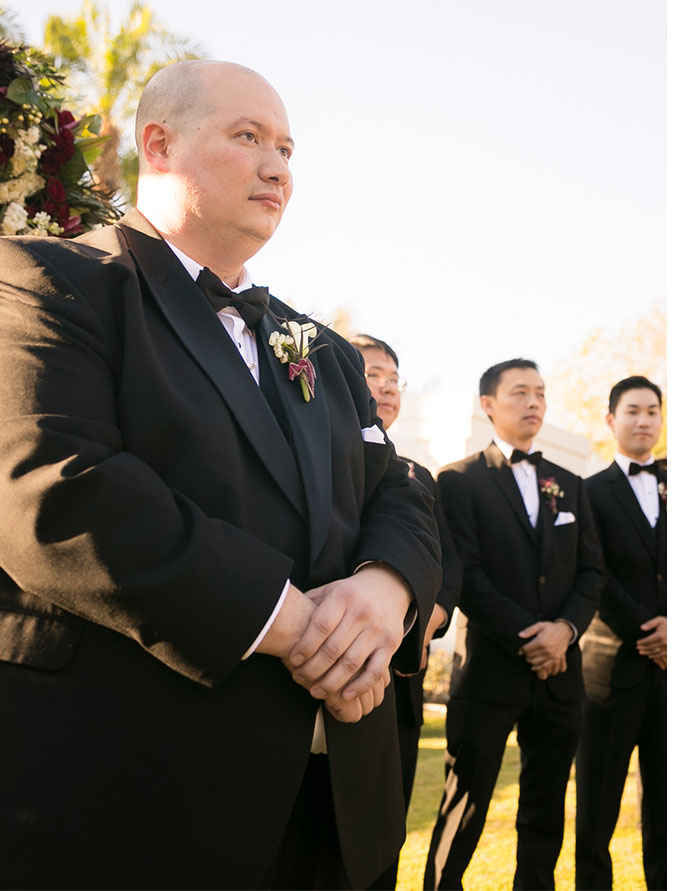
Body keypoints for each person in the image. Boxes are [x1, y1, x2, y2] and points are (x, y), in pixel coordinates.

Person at [0, 61, 441, 888]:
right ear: (157, 145)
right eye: (248, 138)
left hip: (333, 806)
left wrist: (385, 590)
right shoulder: (46, 283)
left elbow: (400, 486)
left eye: (286, 147)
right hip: (141, 797)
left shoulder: (322, 348)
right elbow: (56, 487)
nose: (279, 168)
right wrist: (296, 627)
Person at [425, 358, 602, 890]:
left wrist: (565, 632)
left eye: (542, 394)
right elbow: (466, 575)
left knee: (545, 811)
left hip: (559, 678)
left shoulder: (569, 484)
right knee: (466, 802)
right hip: (490, 672)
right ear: (488, 405)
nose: (534, 403)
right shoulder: (456, 481)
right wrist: (533, 638)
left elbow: (593, 570)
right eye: (521, 392)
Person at [350, 333, 465, 891]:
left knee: (384, 829)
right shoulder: (315, 452)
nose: (388, 387)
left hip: (401, 677)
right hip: (329, 664)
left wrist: (432, 616)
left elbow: (449, 559)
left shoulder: (420, 474)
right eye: (374, 374)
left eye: (395, 378)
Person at [575, 375, 668, 889]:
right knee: (597, 808)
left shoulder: (676, 478)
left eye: (652, 411)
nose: (643, 420)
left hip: (669, 674)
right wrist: (645, 630)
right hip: (609, 673)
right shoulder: (588, 492)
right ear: (612, 420)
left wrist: (673, 628)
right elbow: (595, 573)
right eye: (633, 411)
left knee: (665, 808)